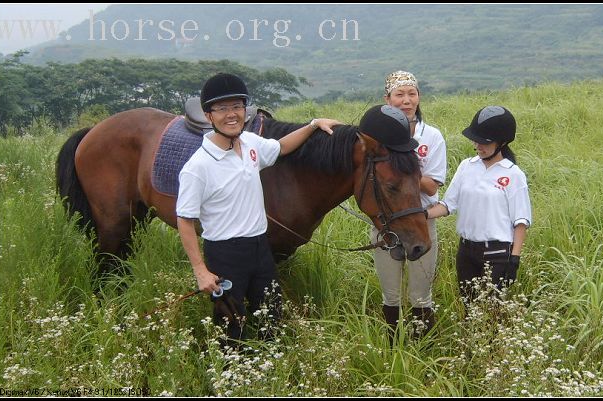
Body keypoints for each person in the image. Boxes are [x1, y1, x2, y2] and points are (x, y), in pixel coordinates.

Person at [176, 72, 343, 346]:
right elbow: (184, 220)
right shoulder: (198, 166)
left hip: (260, 248)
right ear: (208, 116)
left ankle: (270, 366)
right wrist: (200, 270)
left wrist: (313, 124)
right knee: (230, 327)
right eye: (222, 109)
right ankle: (231, 376)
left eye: (237, 107)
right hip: (225, 253)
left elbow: (282, 146)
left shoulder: (251, 144)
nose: (231, 115)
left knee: (271, 317)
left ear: (245, 110)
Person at [427, 105, 531, 304]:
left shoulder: (513, 174)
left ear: (501, 143)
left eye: (485, 142)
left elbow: (521, 221)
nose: (478, 145)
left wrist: (514, 259)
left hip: (497, 254)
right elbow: (448, 205)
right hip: (466, 252)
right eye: (476, 140)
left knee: (492, 312)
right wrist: (420, 214)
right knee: (469, 307)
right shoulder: (467, 166)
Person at [373, 71, 447, 342]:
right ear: (387, 99)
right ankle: (394, 345)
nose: (406, 100)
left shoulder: (433, 136)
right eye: (399, 95)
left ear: (419, 97)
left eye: (411, 94)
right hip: (385, 222)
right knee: (390, 293)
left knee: (420, 293)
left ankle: (423, 346)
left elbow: (432, 187)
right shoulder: (376, 137)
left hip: (420, 220)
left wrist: (399, 173)